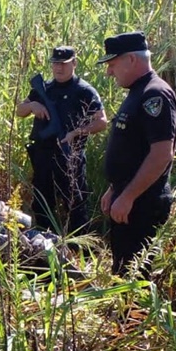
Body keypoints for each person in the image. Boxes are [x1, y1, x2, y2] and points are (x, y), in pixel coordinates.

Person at [97, 32, 176, 275]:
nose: (109, 72)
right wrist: (115, 188)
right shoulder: (138, 92)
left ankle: (134, 314)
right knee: (123, 270)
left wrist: (128, 196)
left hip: (143, 202)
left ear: (131, 59)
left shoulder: (154, 95)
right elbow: (134, 149)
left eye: (112, 64)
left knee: (135, 276)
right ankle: (125, 313)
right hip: (129, 197)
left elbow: (162, 154)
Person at [16, 46, 108, 235]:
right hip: (43, 156)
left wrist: (77, 132)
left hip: (70, 156)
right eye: (55, 63)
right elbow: (19, 111)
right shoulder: (44, 89)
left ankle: (79, 249)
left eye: (63, 64)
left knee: (76, 205)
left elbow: (102, 122)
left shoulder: (84, 91)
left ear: (74, 63)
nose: (58, 68)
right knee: (42, 204)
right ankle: (42, 249)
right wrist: (33, 105)